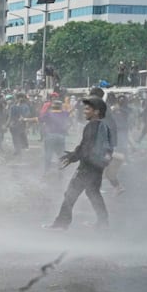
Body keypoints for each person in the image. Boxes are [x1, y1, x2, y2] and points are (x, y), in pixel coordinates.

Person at [44, 97, 112, 230]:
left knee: (70, 194)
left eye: (87, 109)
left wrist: (72, 157)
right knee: (93, 192)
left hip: (87, 167)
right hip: (98, 166)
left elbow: (85, 148)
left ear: (97, 112)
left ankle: (62, 223)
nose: (84, 111)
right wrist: (74, 155)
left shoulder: (92, 126)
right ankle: (103, 222)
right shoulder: (103, 126)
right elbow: (104, 147)